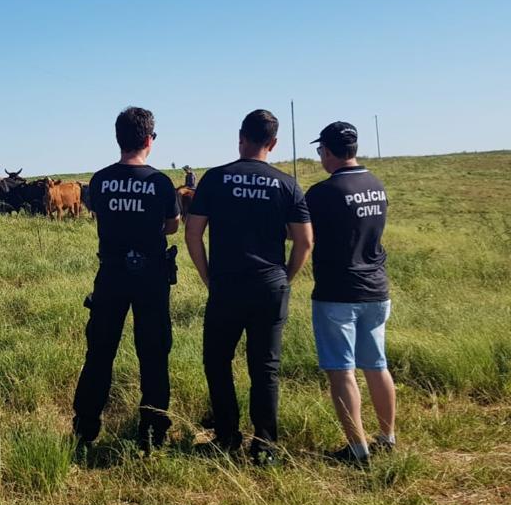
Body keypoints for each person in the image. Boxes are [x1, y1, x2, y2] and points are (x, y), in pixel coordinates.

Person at [184, 109, 313, 465]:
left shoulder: (215, 179)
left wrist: (207, 276)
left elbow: (193, 233)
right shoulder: (287, 184)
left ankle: (227, 436)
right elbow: (305, 242)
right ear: (273, 143)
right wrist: (285, 277)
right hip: (270, 285)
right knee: (265, 367)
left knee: (217, 361)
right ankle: (265, 446)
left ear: (240, 137)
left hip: (226, 284)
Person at [72, 106, 181, 454]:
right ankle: (152, 433)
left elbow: (99, 213)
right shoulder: (161, 183)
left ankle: (85, 428)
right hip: (151, 276)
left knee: (99, 352)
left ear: (118, 139)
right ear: (149, 140)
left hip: (111, 274)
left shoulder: (100, 181)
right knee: (154, 353)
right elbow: (172, 226)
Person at [306, 121, 396, 466]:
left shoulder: (324, 192)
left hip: (337, 291)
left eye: (321, 151)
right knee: (376, 365)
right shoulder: (376, 185)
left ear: (328, 151)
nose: (321, 157)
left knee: (342, 370)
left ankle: (358, 450)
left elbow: (301, 233)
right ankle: (386, 437)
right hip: (376, 289)